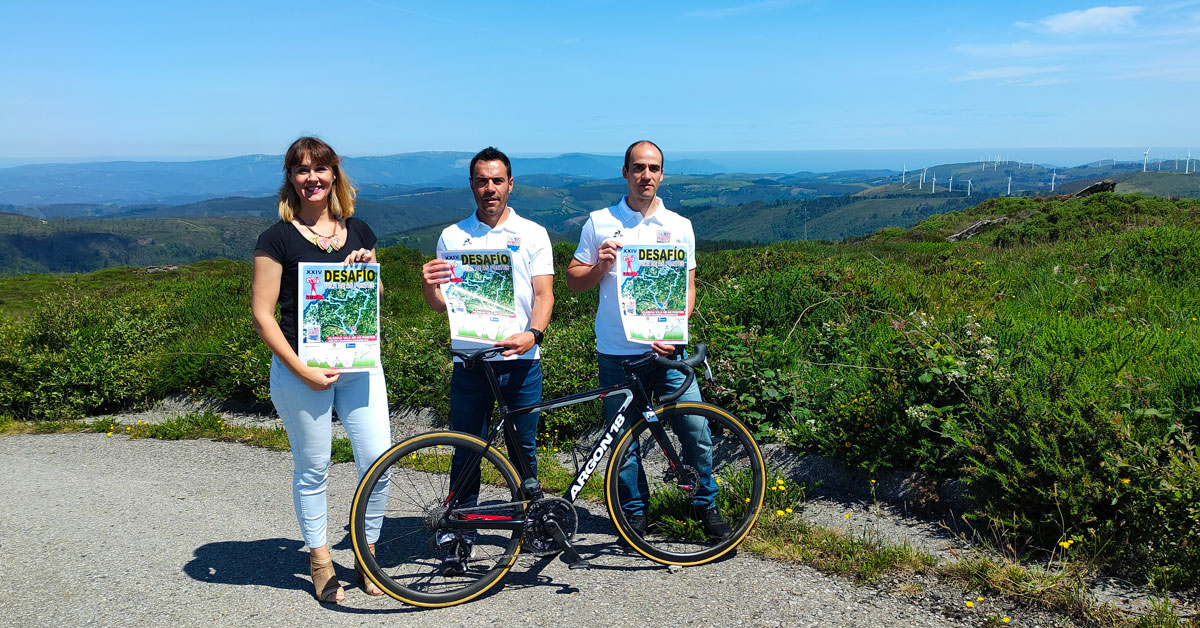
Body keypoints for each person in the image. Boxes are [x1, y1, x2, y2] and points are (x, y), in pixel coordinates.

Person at [566, 140, 732, 540]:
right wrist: (601, 265)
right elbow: (574, 280)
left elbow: (688, 288)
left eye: (653, 168)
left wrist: (673, 328)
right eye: (638, 167)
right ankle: (634, 515)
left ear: (662, 175)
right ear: (625, 172)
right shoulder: (599, 222)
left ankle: (704, 505)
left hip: (667, 351)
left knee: (695, 427)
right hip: (617, 353)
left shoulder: (680, 226)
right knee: (623, 442)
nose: (646, 176)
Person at [251, 137, 390, 603]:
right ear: (290, 178)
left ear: (335, 175)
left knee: (378, 462)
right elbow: (263, 314)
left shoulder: (360, 230)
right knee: (314, 468)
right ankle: (321, 561)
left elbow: (374, 299)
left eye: (321, 169)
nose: (312, 178)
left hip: (358, 364)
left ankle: (368, 557)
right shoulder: (277, 238)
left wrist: (369, 271)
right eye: (301, 170)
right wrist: (301, 369)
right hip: (300, 369)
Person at [420, 146, 554, 571]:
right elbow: (442, 304)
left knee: (522, 448)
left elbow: (545, 295)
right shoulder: (451, 236)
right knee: (467, 449)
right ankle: (460, 530)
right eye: (482, 180)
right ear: (472, 185)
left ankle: (530, 522)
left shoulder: (533, 233)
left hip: (520, 359)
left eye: (497, 181)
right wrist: (427, 285)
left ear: (510, 184)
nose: (490, 189)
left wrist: (532, 333)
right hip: (472, 361)